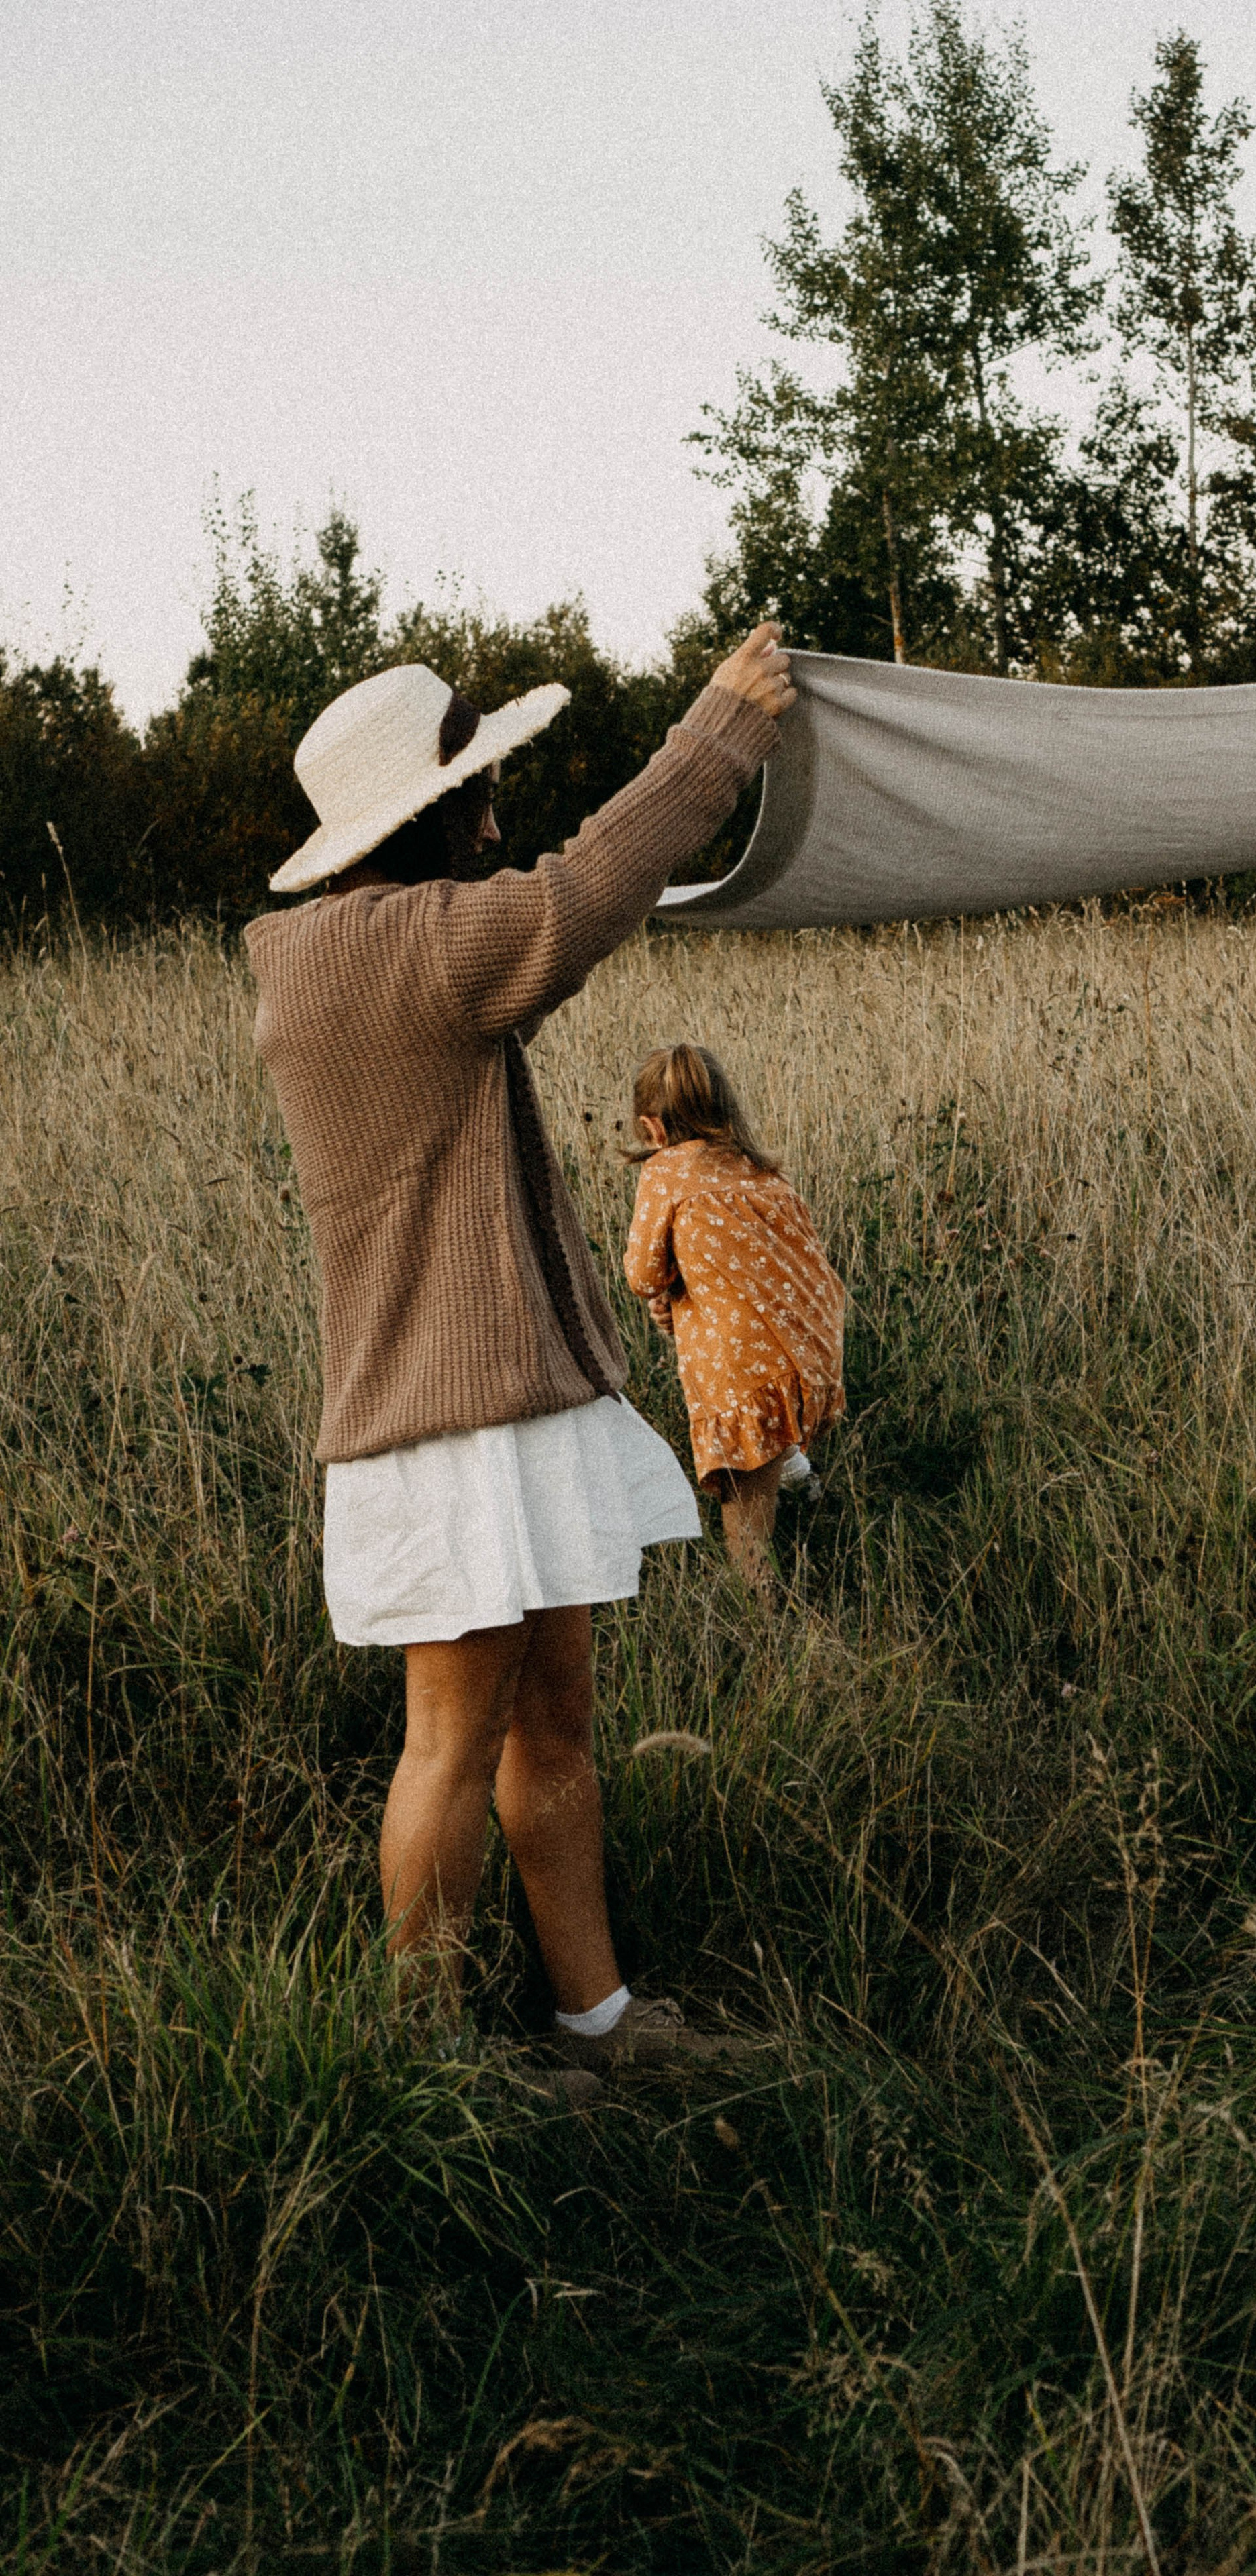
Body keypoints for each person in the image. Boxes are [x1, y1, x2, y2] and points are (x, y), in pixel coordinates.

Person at [244, 625, 796, 2091]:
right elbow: (589, 892)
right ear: (410, 821)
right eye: (471, 796)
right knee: (450, 1740)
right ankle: (419, 2074)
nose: (493, 822)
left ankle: (598, 2026)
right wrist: (720, 736)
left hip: (512, 1399)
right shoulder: (385, 953)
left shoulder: (364, 948)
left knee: (551, 1721)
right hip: (448, 1422)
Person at [622, 1044, 845, 1597]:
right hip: (811, 1351)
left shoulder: (666, 1171)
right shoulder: (764, 1171)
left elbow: (643, 1274)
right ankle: (803, 1480)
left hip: (742, 1366)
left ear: (652, 1127)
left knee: (745, 1513)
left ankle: (760, 1614)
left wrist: (666, 1290)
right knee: (765, 1406)